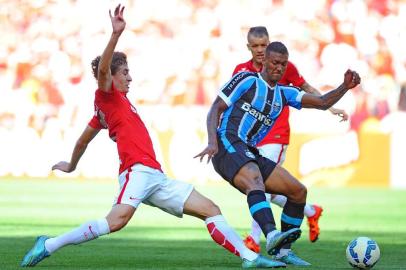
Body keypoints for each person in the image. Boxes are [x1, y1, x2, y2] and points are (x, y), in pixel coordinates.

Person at [20, 5, 286, 269]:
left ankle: (249, 258)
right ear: (111, 77)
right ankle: (49, 244)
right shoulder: (107, 95)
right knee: (116, 221)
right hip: (136, 172)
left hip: (155, 177)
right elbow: (102, 72)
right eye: (124, 72)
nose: (130, 77)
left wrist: (72, 164)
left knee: (210, 209)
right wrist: (115, 35)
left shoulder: (111, 107)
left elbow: (83, 140)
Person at [195, 41, 360, 266]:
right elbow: (216, 107)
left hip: (249, 151)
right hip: (226, 143)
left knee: (297, 192)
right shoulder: (247, 80)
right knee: (254, 179)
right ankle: (272, 235)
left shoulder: (284, 93)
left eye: (283, 64)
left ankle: (283, 252)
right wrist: (212, 142)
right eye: (274, 62)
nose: (279, 68)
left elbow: (322, 102)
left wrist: (344, 86)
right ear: (264, 61)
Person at [233, 26, 349, 255]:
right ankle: (309, 211)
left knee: (259, 186)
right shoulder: (241, 70)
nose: (259, 50)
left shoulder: (282, 64)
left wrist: (331, 107)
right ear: (248, 47)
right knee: (269, 188)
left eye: (263, 46)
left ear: (269, 46)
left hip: (276, 134)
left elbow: (306, 89)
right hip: (250, 138)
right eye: (255, 46)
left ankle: (255, 239)